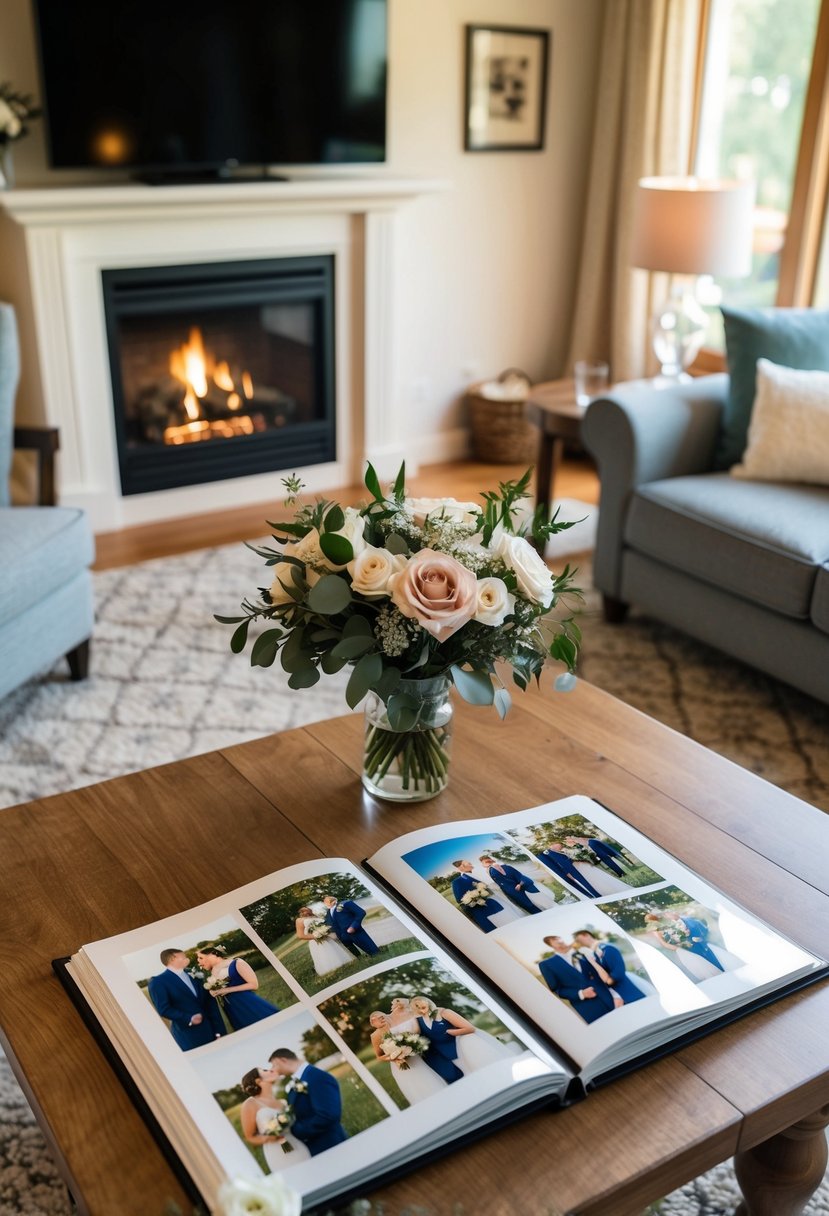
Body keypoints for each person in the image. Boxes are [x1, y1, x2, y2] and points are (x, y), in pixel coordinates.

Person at [269, 1048, 348, 1155]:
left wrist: (296, 1131)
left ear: (282, 1060)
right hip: (316, 1147)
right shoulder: (297, 1081)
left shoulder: (317, 1077)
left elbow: (328, 1115)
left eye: (274, 1065)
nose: (274, 1069)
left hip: (331, 1145)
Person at [411, 995, 516, 1073]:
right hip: (445, 1054)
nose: (420, 1008)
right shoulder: (419, 1021)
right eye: (417, 1007)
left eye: (421, 1005)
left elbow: (470, 1028)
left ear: (428, 1002)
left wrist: (451, 1032)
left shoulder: (444, 1012)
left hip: (461, 1047)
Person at [147, 948, 226, 1051]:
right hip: (189, 1037)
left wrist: (219, 1031)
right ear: (172, 959)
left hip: (212, 1031)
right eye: (183, 957)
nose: (187, 959)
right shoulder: (158, 982)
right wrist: (189, 1019)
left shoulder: (195, 974)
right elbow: (164, 1009)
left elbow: (210, 1004)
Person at [369, 1008, 454, 1101]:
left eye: (383, 1016)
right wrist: (394, 1057)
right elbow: (379, 1056)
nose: (382, 1019)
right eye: (378, 1018)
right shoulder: (375, 1036)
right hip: (400, 1064)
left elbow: (408, 1037)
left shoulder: (395, 1025)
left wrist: (408, 1047)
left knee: (428, 1079)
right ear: (373, 1023)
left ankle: (445, 1098)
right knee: (415, 1087)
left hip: (415, 1059)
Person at [239, 1066, 311, 1169]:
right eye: (265, 1070)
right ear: (258, 1081)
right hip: (277, 1152)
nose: (270, 1070)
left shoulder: (282, 1102)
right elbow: (250, 1137)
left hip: (298, 1146)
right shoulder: (250, 1103)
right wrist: (269, 1137)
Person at [196, 944, 280, 1030]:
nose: (199, 962)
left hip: (247, 1003)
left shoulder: (236, 962)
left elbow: (254, 985)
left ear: (212, 954)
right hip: (231, 1009)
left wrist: (228, 990)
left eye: (201, 958)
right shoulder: (213, 970)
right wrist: (213, 991)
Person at [538, 935, 615, 1023]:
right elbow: (557, 989)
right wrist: (581, 994)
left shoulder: (583, 953)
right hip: (589, 1008)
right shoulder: (547, 964)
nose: (559, 940)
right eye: (554, 940)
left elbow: (603, 972)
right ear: (550, 945)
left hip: (610, 998)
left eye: (559, 938)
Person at [572, 930, 648, 1005]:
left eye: (578, 940)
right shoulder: (591, 955)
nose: (579, 943)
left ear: (586, 935)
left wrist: (609, 980)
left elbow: (618, 972)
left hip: (627, 992)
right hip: (614, 996)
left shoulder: (608, 948)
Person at [642, 913, 723, 981]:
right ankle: (713, 979)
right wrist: (679, 948)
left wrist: (684, 939)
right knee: (698, 965)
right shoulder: (655, 931)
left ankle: (716, 977)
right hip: (680, 949)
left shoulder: (667, 925)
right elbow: (664, 944)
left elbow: (679, 932)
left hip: (687, 946)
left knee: (701, 962)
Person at [561, 839, 633, 897]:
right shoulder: (574, 847)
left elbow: (586, 847)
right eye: (568, 842)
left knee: (609, 865)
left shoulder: (580, 844)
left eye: (569, 841)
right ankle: (618, 874)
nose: (569, 843)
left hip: (597, 856)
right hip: (590, 859)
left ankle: (620, 873)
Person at [294, 906, 353, 977]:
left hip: (327, 938)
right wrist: (316, 935)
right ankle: (329, 970)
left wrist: (325, 931)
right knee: (322, 955)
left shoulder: (315, 916)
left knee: (333, 951)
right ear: (300, 912)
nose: (306, 911)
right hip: (315, 941)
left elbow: (326, 925)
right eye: (303, 910)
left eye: (307, 909)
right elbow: (300, 935)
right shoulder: (299, 920)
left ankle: (342, 964)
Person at [478, 855, 547, 915]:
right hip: (508, 891)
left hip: (515, 889)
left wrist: (520, 884)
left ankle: (542, 914)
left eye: (486, 862)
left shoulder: (497, 867)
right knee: (525, 905)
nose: (485, 864)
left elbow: (513, 875)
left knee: (529, 904)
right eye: (483, 862)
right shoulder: (489, 870)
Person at [450, 860, 507, 932]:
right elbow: (459, 899)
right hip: (481, 910)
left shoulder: (478, 873)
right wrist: (476, 896)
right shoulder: (457, 881)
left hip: (494, 903)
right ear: (461, 867)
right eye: (469, 863)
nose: (471, 864)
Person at [535, 842, 602, 899]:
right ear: (552, 845)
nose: (560, 846)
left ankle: (595, 895)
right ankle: (592, 896)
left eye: (559, 846)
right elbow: (557, 864)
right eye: (557, 845)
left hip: (573, 869)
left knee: (584, 882)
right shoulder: (546, 854)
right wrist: (567, 873)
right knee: (581, 884)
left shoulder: (557, 851)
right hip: (568, 872)